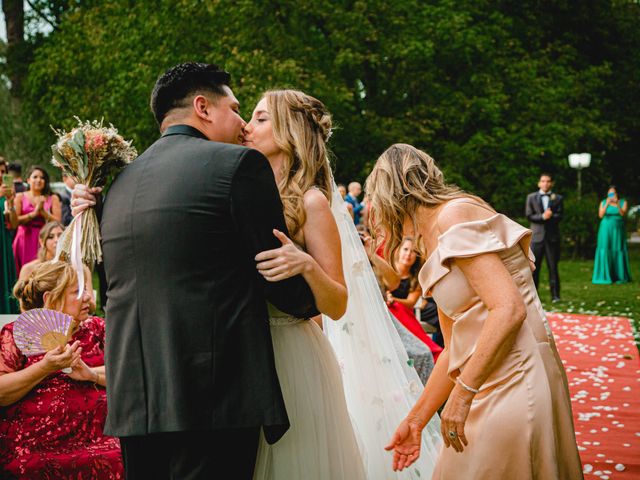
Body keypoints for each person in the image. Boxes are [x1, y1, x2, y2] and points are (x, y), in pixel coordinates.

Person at [71, 62, 318, 480]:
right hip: (214, 399)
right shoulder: (240, 166)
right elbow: (275, 273)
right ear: (203, 107)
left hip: (136, 400)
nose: (242, 123)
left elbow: (111, 288)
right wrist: (314, 296)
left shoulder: (115, 187)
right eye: (235, 108)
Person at [367, 144, 582, 479]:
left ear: (390, 194)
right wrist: (416, 421)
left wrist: (463, 393)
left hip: (517, 376)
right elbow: (454, 348)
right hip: (484, 377)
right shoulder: (431, 240)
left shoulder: (453, 215)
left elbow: (509, 309)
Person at [243, 89, 366, 479]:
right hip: (247, 351)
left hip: (292, 354)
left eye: (261, 118)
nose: (248, 126)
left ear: (289, 130)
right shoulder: (246, 193)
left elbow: (338, 304)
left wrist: (307, 265)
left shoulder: (312, 202)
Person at [0, 261, 123, 478]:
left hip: (101, 439)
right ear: (50, 299)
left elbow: (129, 374)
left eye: (86, 288)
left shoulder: (97, 329)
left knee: (120, 459)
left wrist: (91, 375)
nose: (87, 296)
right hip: (36, 445)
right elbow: (2, 392)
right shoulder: (16, 334)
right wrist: (44, 368)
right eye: (77, 291)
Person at [386, 236, 442, 361]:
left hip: (405, 310)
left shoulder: (416, 276)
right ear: (399, 251)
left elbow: (411, 302)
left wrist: (393, 299)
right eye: (405, 249)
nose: (408, 254)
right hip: (389, 309)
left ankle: (434, 348)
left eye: (413, 252)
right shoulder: (388, 269)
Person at [12, 166, 62, 275]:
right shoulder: (20, 197)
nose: (39, 180)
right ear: (28, 180)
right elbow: (14, 221)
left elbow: (58, 221)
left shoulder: (52, 198)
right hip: (24, 238)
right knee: (24, 272)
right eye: (35, 177)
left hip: (44, 238)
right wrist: (33, 214)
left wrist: (43, 212)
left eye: (42, 178)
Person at [525, 173, 563, 302]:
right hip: (536, 238)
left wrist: (552, 216)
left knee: (553, 267)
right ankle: (534, 296)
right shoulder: (531, 197)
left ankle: (555, 296)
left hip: (552, 238)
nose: (545, 183)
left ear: (551, 183)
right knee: (534, 268)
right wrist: (542, 217)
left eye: (548, 181)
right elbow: (529, 215)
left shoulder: (558, 198)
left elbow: (561, 216)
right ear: (539, 183)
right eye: (543, 181)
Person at [592, 185, 632, 284]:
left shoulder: (623, 202)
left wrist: (617, 204)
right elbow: (600, 215)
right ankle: (604, 275)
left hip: (618, 228)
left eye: (613, 193)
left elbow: (623, 213)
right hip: (606, 228)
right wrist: (607, 204)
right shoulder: (603, 202)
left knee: (617, 248)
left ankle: (619, 275)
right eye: (609, 193)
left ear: (617, 194)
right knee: (605, 248)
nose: (611, 195)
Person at [0, 159, 19, 314]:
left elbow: (13, 224)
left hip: (4, 243)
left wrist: (11, 203)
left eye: (3, 172)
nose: (0, 175)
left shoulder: (6, 196)